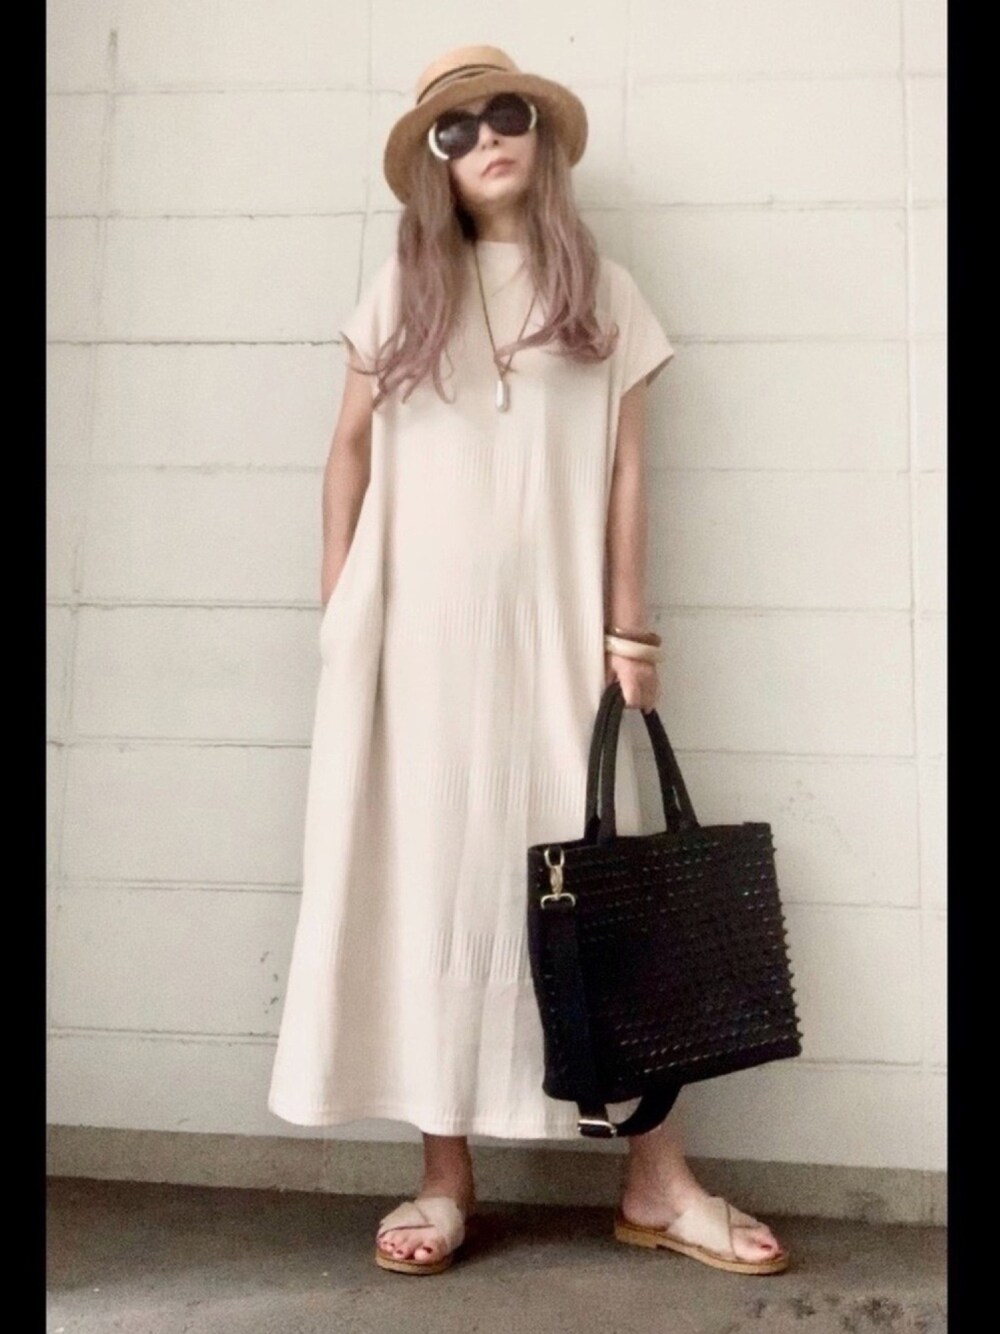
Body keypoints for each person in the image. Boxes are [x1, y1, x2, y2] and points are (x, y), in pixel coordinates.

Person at [267, 43, 789, 1278]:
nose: (486, 138)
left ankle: (656, 1176)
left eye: (505, 115)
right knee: (427, 884)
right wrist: (340, 605)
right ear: (433, 165)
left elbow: (626, 470)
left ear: (539, 136)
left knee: (609, 883)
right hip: (411, 643)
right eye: (455, 129)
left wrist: (629, 629)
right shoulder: (400, 290)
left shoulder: (602, 289)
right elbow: (347, 450)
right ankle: (443, 1174)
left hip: (560, 634)